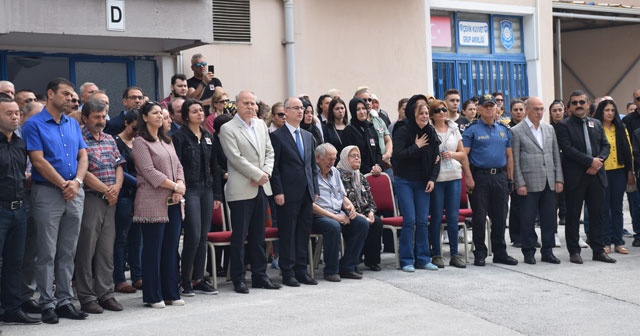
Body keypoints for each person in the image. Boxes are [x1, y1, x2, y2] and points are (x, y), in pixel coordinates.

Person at [23, 78, 89, 323]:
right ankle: (47, 302)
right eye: (65, 94)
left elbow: (83, 155)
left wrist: (77, 183)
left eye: (72, 95)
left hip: (74, 192)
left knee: (67, 251)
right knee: (46, 252)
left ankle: (64, 300)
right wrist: (64, 184)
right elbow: (38, 160)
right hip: (48, 192)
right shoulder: (34, 124)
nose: (70, 98)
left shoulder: (73, 124)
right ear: (50, 94)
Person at [219, 91, 280, 294]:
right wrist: (256, 175)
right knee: (239, 237)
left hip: (262, 186)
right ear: (236, 105)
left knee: (258, 236)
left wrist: (265, 173)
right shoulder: (228, 128)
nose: (250, 107)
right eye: (246, 103)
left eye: (253, 103)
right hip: (241, 189)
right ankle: (238, 279)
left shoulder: (261, 125)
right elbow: (235, 158)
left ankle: (260, 276)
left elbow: (270, 152)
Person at [132, 101, 186, 308]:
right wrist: (175, 186)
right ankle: (153, 295)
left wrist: (179, 184)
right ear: (145, 117)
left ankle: (171, 291)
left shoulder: (167, 140)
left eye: (161, 114)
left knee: (171, 248)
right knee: (153, 249)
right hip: (152, 201)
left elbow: (178, 165)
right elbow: (148, 171)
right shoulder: (141, 142)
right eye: (154, 113)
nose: (160, 117)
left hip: (173, 200)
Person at [75, 98, 125, 313]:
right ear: (84, 118)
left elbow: (119, 165)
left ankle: (106, 293)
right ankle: (86, 296)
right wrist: (106, 190)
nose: (101, 121)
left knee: (106, 249)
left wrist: (116, 188)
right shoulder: (78, 139)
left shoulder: (109, 139)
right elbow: (81, 172)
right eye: (95, 117)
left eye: (103, 116)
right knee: (86, 249)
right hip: (91, 198)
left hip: (111, 199)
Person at [555, 90, 615, 264]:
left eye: (582, 102)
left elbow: (605, 146)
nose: (579, 105)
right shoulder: (564, 126)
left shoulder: (596, 123)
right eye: (575, 103)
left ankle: (598, 250)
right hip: (576, 177)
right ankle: (574, 251)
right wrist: (590, 162)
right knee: (573, 215)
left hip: (597, 175)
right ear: (569, 107)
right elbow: (568, 149)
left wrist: (598, 162)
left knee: (597, 214)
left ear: (588, 104)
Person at [172, 99, 222, 296]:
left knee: (203, 235)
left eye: (201, 110)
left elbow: (215, 166)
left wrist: (217, 193)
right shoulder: (179, 137)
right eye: (194, 111)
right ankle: (185, 280)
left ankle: (198, 278)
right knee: (193, 234)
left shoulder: (208, 136)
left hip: (207, 188)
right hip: (190, 188)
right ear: (186, 116)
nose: (200, 114)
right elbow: (176, 165)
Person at [462, 94, 518, 267]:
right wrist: (469, 178)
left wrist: (511, 178)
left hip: (500, 177)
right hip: (480, 177)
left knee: (500, 216)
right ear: (479, 109)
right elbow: (464, 156)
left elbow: (509, 156)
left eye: (491, 106)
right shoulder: (472, 130)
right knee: (479, 217)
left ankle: (500, 252)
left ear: (497, 110)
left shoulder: (504, 129)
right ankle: (480, 252)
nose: (489, 109)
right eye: (485, 106)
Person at [0, 95, 41, 324]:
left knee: (15, 262)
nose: (15, 117)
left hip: (19, 209)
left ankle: (12, 308)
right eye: (9, 113)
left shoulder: (20, 142)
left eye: (17, 113)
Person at [270, 97, 319, 287]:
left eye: (303, 108)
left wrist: (314, 187)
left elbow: (312, 166)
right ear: (286, 111)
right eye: (296, 108)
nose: (300, 111)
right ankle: (287, 271)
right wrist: (278, 191)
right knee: (288, 232)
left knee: (303, 231)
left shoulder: (307, 136)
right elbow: (275, 168)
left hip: (306, 191)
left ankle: (301, 269)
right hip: (287, 192)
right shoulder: (277, 136)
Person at [511, 97, 564, 264]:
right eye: (536, 109)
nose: (540, 112)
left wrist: (558, 179)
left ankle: (548, 252)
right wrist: (519, 182)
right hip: (528, 182)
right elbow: (515, 159)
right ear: (527, 110)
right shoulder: (517, 131)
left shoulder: (549, 129)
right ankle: (528, 251)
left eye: (541, 109)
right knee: (527, 220)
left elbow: (555, 155)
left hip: (549, 180)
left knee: (549, 219)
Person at [392, 95, 440, 272]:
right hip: (404, 180)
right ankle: (406, 260)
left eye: (427, 113)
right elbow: (397, 155)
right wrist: (416, 146)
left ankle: (423, 258)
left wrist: (432, 179)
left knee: (421, 221)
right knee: (409, 220)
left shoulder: (431, 132)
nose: (425, 116)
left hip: (423, 182)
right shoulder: (403, 130)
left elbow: (437, 159)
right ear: (414, 114)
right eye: (421, 113)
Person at [428, 98, 473, 269]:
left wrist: (452, 155)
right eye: (438, 110)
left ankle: (455, 253)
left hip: (454, 175)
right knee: (437, 216)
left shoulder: (454, 128)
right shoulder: (429, 130)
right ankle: (437, 254)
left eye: (444, 109)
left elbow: (463, 154)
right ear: (432, 114)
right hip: (437, 177)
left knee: (453, 217)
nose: (442, 113)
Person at [312, 143, 368, 281]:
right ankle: (331, 270)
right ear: (318, 158)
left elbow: (342, 196)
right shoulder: (311, 174)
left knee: (362, 223)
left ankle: (347, 266)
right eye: (328, 159)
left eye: (334, 159)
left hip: (338, 212)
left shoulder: (335, 172)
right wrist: (336, 217)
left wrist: (350, 207)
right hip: (319, 215)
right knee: (333, 226)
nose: (332, 163)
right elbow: (310, 205)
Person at [593, 98, 633, 255]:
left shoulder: (621, 127)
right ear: (601, 112)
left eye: (612, 110)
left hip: (619, 171)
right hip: (602, 171)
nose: (610, 113)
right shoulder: (596, 127)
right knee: (604, 208)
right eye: (607, 110)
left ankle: (618, 241)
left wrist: (630, 171)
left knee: (617, 208)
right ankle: (605, 241)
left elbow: (628, 151)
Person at [337, 145, 383, 271]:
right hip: (347, 214)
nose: (357, 158)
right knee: (360, 223)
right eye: (353, 156)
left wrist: (371, 212)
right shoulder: (337, 175)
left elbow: (371, 201)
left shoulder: (361, 176)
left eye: (359, 156)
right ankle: (353, 260)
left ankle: (372, 260)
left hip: (364, 214)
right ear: (345, 158)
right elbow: (338, 202)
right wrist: (359, 215)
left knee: (377, 222)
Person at [113, 110, 142, 294]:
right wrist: (141, 183)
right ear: (126, 123)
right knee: (121, 238)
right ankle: (119, 278)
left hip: (139, 195)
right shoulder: (117, 142)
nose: (137, 131)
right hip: (125, 194)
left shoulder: (139, 142)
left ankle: (138, 276)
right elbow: (120, 170)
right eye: (134, 127)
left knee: (137, 238)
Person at [354, 89, 392, 172]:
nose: (367, 102)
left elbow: (388, 140)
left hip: (383, 164)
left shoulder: (379, 120)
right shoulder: (353, 126)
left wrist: (387, 155)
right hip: (366, 168)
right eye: (364, 100)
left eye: (369, 100)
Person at [343, 97, 382, 175]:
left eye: (364, 108)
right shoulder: (349, 130)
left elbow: (378, 151)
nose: (362, 112)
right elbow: (350, 156)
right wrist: (369, 170)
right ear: (353, 111)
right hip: (359, 174)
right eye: (358, 109)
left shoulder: (370, 127)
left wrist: (377, 166)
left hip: (376, 172)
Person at [623, 88, 640, 247]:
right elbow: (626, 148)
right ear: (634, 101)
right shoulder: (628, 121)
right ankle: (638, 234)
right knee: (636, 203)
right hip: (635, 168)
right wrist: (630, 171)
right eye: (638, 98)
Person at [507, 99, 525, 247]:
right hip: (513, 169)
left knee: (529, 206)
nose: (518, 112)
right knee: (516, 205)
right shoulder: (507, 129)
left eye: (521, 109)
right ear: (511, 111)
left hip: (528, 169)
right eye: (515, 110)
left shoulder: (529, 127)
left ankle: (528, 234)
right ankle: (516, 236)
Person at [549, 99, 567, 247]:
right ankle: (553, 234)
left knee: (570, 204)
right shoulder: (548, 129)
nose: (557, 113)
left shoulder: (569, 127)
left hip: (570, 171)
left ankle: (572, 235)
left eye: (560, 110)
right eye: (554, 111)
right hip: (553, 171)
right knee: (552, 205)